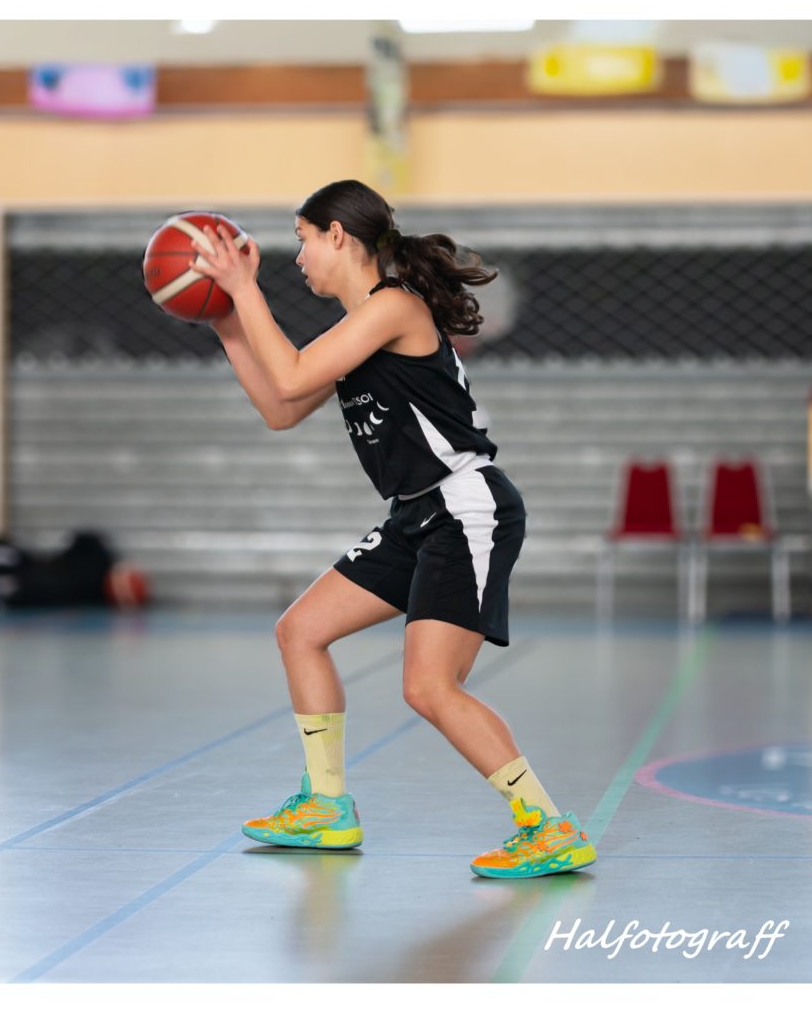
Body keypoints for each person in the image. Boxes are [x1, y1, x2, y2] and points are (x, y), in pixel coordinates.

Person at [190, 180, 594, 878]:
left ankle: (549, 826)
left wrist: (242, 288)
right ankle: (326, 805)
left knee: (430, 687)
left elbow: (289, 376)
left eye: (303, 240)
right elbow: (281, 408)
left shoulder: (394, 307)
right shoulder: (358, 329)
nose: (298, 258)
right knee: (301, 631)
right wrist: (226, 321)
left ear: (338, 236)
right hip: (417, 515)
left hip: (466, 507)